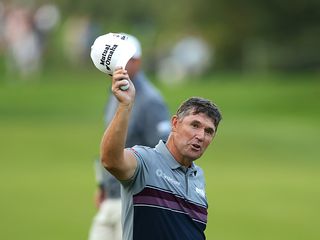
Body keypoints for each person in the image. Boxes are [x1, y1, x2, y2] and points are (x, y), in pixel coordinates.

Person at [100, 66, 222, 239]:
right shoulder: (144, 161)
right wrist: (125, 106)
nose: (200, 136)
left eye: (208, 131)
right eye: (194, 125)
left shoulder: (198, 177)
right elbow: (110, 160)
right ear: (174, 123)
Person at [88, 34, 171, 240]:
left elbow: (165, 150)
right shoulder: (116, 93)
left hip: (136, 198)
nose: (121, 64)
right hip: (111, 196)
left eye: (127, 59)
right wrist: (103, 185)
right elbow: (112, 141)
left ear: (137, 61)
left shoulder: (151, 100)